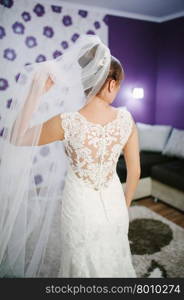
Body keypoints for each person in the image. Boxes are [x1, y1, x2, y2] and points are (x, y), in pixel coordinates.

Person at [0, 34, 140, 277]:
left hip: (79, 208)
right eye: (118, 86)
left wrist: (36, 92)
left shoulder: (67, 122)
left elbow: (15, 136)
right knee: (115, 259)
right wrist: (124, 207)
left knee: (81, 264)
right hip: (115, 204)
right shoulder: (126, 120)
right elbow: (135, 171)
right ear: (110, 84)